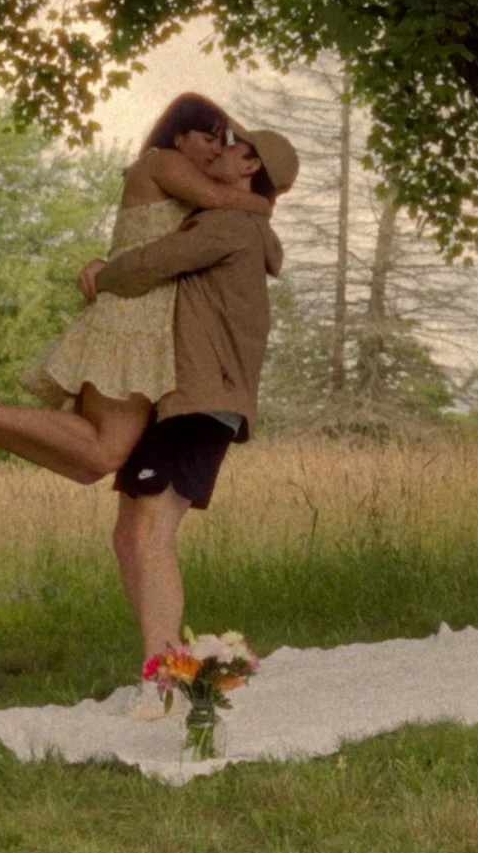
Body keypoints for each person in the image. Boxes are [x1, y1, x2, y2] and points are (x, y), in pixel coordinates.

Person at [0, 93, 271, 481]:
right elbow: (217, 198)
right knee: (104, 450)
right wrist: (266, 202)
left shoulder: (184, 184)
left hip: (141, 311)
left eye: (221, 141)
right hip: (134, 314)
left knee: (91, 464)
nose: (216, 150)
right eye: (208, 138)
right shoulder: (164, 162)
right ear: (179, 136)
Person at [82, 124, 294, 711]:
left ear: (250, 167)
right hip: (187, 397)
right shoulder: (228, 221)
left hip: (204, 399)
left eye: (233, 146)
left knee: (151, 531)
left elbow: (151, 262)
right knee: (129, 534)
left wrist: (103, 273)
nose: (219, 149)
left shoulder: (230, 225)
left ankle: (167, 681)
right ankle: (164, 665)